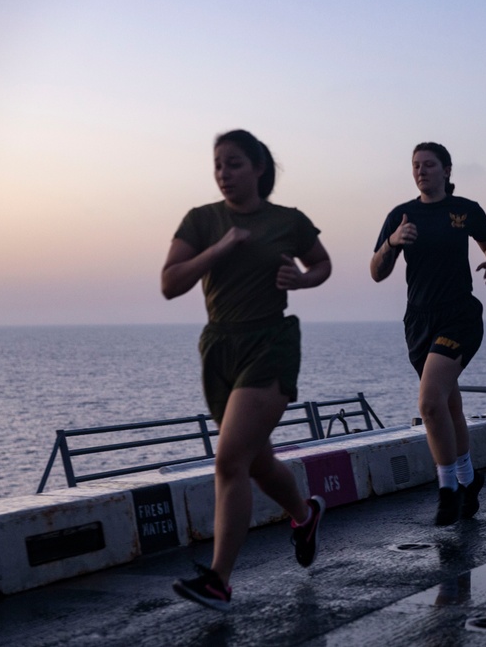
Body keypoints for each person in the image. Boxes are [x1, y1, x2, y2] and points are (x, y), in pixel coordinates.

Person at [163, 129, 333, 611]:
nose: (223, 173)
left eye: (234, 163)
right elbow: (169, 283)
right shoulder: (201, 220)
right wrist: (220, 248)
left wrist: (300, 280)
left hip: (270, 342)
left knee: (230, 459)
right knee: (256, 461)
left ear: (259, 168)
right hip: (219, 346)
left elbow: (321, 263)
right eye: (218, 164)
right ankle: (305, 515)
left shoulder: (287, 221)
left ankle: (218, 579)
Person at [370, 142, 486, 526]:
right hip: (418, 321)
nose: (421, 171)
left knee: (429, 402)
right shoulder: (401, 215)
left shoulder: (465, 210)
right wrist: (392, 244)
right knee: (448, 405)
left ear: (446, 170)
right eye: (415, 165)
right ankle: (468, 478)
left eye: (429, 165)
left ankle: (447, 491)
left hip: (459, 315)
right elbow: (377, 271)